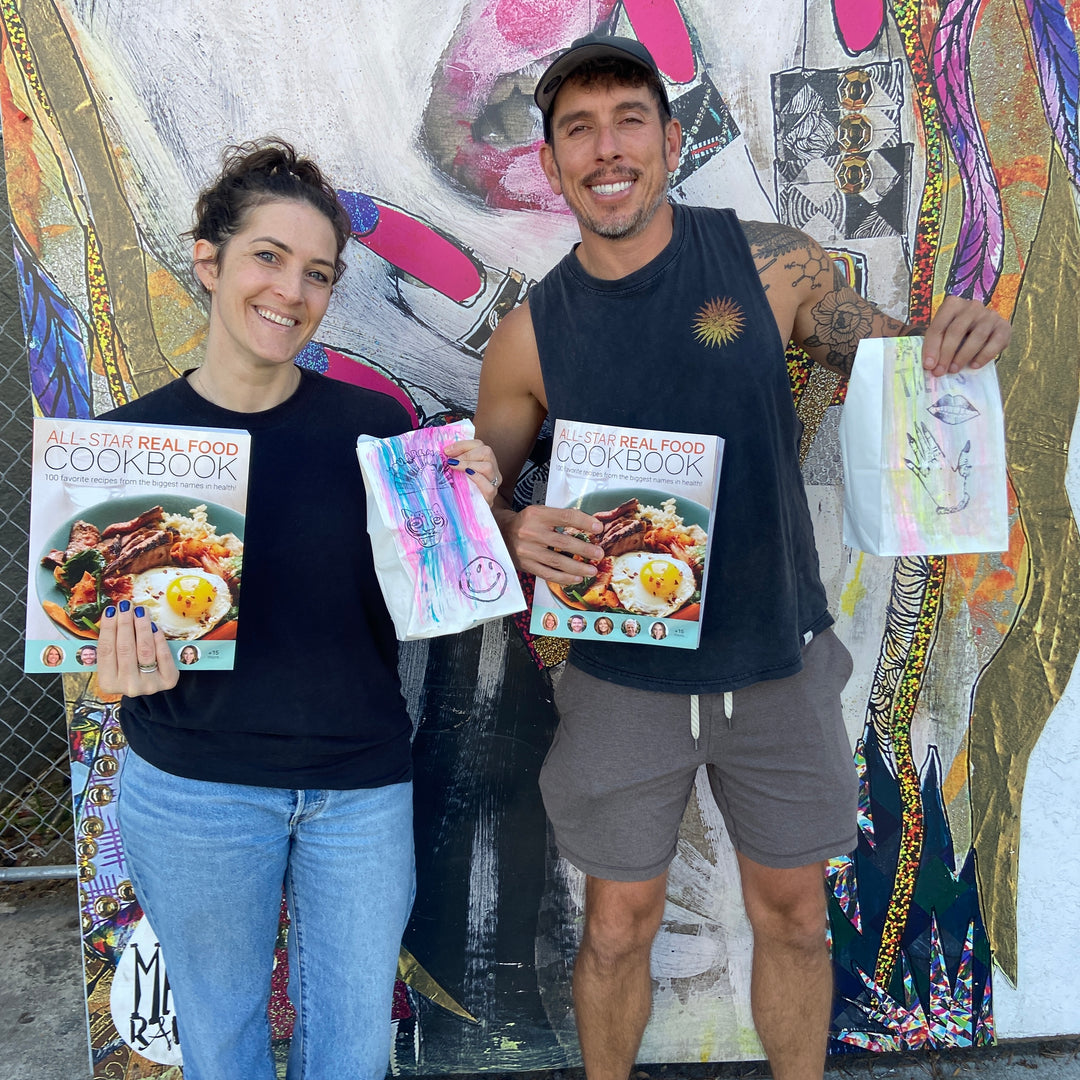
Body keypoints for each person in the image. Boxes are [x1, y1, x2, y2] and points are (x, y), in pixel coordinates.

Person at [472, 34, 1012, 1080]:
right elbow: (463, 509)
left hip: (777, 663)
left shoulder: (770, 265)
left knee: (797, 917)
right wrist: (510, 530)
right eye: (578, 129)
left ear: (671, 141)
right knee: (620, 926)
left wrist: (945, 340)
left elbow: (888, 356)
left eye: (629, 118)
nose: (606, 147)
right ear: (551, 163)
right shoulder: (530, 336)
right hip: (621, 677)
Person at [95, 138, 501, 1080]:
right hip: (195, 787)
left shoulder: (377, 430)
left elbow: (436, 598)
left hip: (357, 791)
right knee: (222, 1041)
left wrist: (467, 513)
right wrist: (105, 664)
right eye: (267, 258)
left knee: (352, 1051)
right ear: (210, 260)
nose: (291, 290)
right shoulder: (124, 450)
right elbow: (85, 648)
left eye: (317, 273)